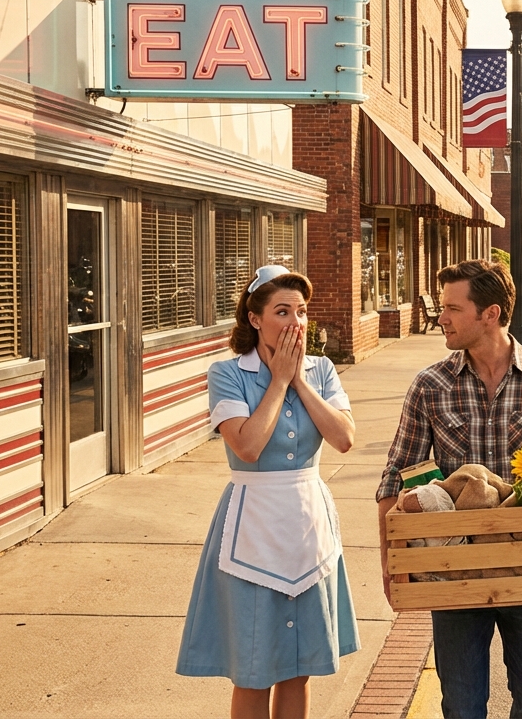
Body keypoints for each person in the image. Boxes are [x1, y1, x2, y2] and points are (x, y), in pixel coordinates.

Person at [379, 259, 522, 719]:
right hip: (455, 572)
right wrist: (391, 562)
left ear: (490, 314)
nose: (442, 318)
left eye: (453, 308)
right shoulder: (429, 386)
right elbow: (394, 480)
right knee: (461, 708)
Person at [177, 265, 359, 719]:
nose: (296, 322)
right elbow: (249, 445)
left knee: (299, 666)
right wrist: (278, 380)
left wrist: (298, 378)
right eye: (283, 311)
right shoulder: (227, 373)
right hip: (251, 523)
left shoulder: (322, 370)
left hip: (307, 520)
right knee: (254, 666)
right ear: (255, 319)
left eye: (301, 311)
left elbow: (343, 438)